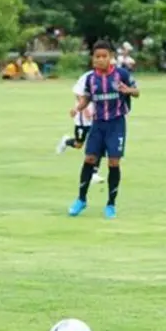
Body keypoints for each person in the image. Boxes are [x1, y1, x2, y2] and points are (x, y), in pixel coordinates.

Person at [67, 41, 139, 219]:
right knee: (90, 158)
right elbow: (87, 97)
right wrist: (78, 108)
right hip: (98, 124)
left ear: (111, 57)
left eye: (104, 56)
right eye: (97, 57)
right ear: (93, 59)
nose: (100, 60)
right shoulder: (91, 79)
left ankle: (111, 204)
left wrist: (127, 89)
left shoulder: (121, 74)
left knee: (113, 162)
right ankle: (81, 199)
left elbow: (137, 92)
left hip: (116, 124)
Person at [56, 70, 105, 185]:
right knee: (79, 144)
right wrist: (85, 109)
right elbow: (78, 93)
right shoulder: (87, 76)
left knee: (98, 143)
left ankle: (94, 173)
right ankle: (66, 141)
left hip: (98, 115)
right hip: (83, 117)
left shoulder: (109, 75)